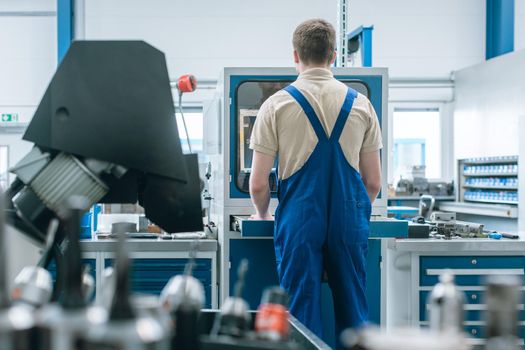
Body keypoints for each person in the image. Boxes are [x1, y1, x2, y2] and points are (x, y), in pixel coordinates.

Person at [248, 18, 382, 342]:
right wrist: (350, 213)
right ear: (334, 55)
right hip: (349, 222)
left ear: (295, 55)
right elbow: (374, 182)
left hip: (299, 219)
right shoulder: (361, 105)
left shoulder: (275, 105)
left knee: (300, 317)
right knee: (354, 314)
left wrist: (263, 214)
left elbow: (258, 183)